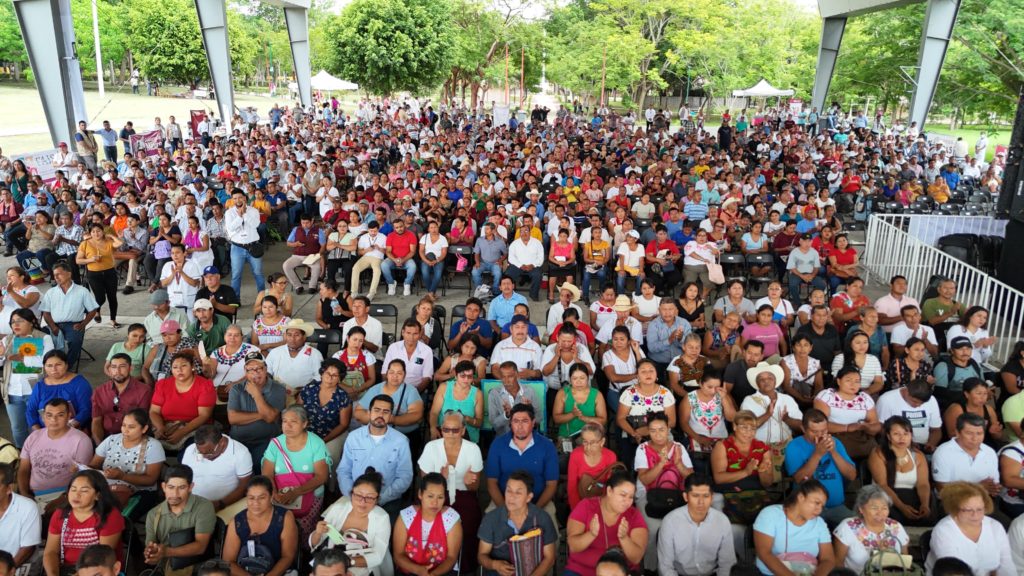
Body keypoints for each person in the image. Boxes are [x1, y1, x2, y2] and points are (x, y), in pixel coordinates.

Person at [417, 410, 483, 573]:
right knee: (430, 526)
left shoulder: (473, 449)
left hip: (464, 495)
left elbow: (475, 488)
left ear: (463, 430)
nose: (450, 434)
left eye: (455, 430)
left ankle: (463, 568)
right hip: (436, 496)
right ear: (441, 429)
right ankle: (430, 566)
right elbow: (425, 485)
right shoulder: (431, 447)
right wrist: (441, 478)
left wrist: (468, 482)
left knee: (468, 525)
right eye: (446, 429)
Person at [339, 394, 414, 518]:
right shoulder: (353, 437)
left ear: (391, 416)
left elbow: (405, 476)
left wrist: (380, 498)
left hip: (387, 501)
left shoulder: (401, 441)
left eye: (386, 412)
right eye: (377, 410)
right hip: (354, 499)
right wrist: (353, 496)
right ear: (369, 412)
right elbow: (344, 470)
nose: (381, 415)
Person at [485, 402, 559, 523]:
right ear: (510, 423)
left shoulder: (547, 446)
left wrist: (534, 512)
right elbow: (491, 483)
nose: (520, 426)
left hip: (539, 503)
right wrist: (506, 511)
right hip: (504, 503)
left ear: (533, 423)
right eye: (516, 421)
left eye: (525, 421)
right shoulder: (498, 444)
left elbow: (551, 484)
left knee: (550, 528)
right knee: (488, 525)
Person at [18, 398, 94, 514]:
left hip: (63, 494)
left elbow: (84, 477)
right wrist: (24, 494)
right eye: (49, 415)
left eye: (60, 415)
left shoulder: (81, 440)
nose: (53, 419)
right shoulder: (33, 437)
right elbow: (23, 469)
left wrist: (64, 498)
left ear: (69, 416)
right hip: (32, 494)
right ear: (43, 417)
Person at [566, 470, 648, 576]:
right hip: (581, 571)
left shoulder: (634, 515)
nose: (627, 501)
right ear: (609, 491)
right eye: (623, 495)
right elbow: (573, 546)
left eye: (631, 497)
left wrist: (624, 538)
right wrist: (591, 534)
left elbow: (636, 558)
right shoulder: (586, 506)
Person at [42, 470, 124, 576]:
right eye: (73, 489)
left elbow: (102, 557)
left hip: (97, 570)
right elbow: (51, 551)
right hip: (66, 569)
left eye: (84, 491)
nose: (76, 495)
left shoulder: (110, 515)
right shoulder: (60, 514)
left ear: (97, 495)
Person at [310, 469, 392, 576]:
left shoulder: (382, 518)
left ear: (377, 499)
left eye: (369, 497)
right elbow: (315, 544)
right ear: (351, 494)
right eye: (358, 495)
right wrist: (318, 533)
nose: (362, 501)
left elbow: (378, 555)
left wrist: (348, 562)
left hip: (363, 564)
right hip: (332, 561)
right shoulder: (338, 509)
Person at [477, 470, 559, 576]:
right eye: (508, 491)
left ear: (529, 497)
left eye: (518, 493)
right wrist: (495, 565)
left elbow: (549, 558)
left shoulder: (542, 518)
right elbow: (481, 555)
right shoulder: (491, 519)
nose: (511, 497)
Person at [784, 408, 856, 528]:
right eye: (814, 431)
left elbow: (852, 475)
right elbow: (800, 479)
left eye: (823, 431)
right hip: (808, 508)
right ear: (803, 429)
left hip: (836, 507)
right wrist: (817, 454)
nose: (820, 435)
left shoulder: (835, 442)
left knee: (857, 528)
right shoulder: (794, 446)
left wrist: (833, 452)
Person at [925, 482, 1015, 576]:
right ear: (954, 509)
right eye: (968, 510)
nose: (975, 515)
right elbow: (953, 572)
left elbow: (1007, 565)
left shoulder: (995, 527)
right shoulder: (943, 530)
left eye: (979, 509)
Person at [143, 465, 218, 575]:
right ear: (163, 487)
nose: (175, 494)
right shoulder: (153, 514)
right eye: (171, 487)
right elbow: (151, 550)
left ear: (190, 487)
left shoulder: (203, 507)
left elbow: (201, 547)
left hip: (198, 567)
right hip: (165, 568)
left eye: (181, 487)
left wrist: (166, 552)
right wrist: (151, 553)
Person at [657, 474, 737, 576]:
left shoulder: (722, 521)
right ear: (686, 497)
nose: (701, 502)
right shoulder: (670, 522)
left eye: (706, 496)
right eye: (695, 496)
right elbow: (665, 566)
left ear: (712, 497)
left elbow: (727, 564)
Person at [89, 407, 165, 514]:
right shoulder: (111, 440)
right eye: (123, 425)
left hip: (139, 492)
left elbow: (151, 480)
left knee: (112, 514)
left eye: (131, 427)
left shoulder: (153, 446)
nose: (125, 430)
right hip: (107, 489)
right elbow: (93, 465)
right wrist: (82, 469)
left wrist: (122, 477)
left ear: (144, 429)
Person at [753, 479, 835, 575]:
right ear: (801, 497)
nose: (819, 510)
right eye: (817, 503)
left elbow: (828, 559)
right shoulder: (771, 514)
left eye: (822, 506)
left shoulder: (819, 523)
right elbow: (764, 553)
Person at [220, 475, 298, 576]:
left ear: (271, 497)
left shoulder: (285, 517)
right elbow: (228, 561)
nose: (256, 503)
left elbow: (287, 556)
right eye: (251, 498)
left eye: (262, 498)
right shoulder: (237, 522)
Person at [0, 307, 54, 447]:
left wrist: (23, 358)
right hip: (12, 391)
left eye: (20, 320)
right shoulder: (7, 340)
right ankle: (22, 453)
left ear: (31, 322)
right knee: (17, 428)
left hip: (35, 391)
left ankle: (40, 452)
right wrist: (1, 355)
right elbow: (2, 363)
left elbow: (49, 363)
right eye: (13, 322)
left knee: (39, 426)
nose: (16, 324)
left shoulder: (44, 338)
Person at [392, 474, 463, 576]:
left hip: (441, 573)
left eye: (440, 497)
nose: (435, 502)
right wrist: (419, 570)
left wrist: (433, 574)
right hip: (410, 571)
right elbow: (398, 555)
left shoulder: (451, 518)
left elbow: (451, 557)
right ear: (420, 494)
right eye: (430, 496)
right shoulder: (406, 516)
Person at [831, 485, 909, 573]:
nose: (880, 513)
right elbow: (838, 563)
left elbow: (905, 562)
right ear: (861, 509)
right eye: (874, 508)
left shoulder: (896, 527)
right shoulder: (847, 528)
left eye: (884, 508)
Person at [149, 352, 216, 450]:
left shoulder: (205, 386)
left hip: (194, 429)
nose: (179, 370)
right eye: (175, 367)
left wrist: (182, 432)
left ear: (192, 367)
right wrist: (160, 427)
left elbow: (204, 415)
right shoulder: (162, 384)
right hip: (166, 426)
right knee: (149, 448)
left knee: (188, 452)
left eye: (184, 366)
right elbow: (154, 411)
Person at [39, 260, 99, 369]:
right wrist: (53, 327)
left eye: (59, 274)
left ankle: (66, 367)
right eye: (54, 275)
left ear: (69, 274)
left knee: (74, 341)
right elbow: (46, 313)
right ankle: (45, 365)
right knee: (38, 336)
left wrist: (83, 324)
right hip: (54, 324)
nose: (56, 277)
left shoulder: (82, 291)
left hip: (73, 324)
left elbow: (93, 310)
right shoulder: (51, 292)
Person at [813, 366, 882, 460]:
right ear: (838, 381)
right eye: (848, 380)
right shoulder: (827, 396)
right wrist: (847, 428)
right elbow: (819, 424)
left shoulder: (865, 398)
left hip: (860, 438)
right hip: (834, 436)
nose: (853, 384)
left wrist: (866, 427)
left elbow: (875, 424)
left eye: (857, 381)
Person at [932, 412, 1001, 496]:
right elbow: (941, 488)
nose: (975, 438)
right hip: (952, 501)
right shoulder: (943, 453)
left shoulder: (990, 452)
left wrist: (995, 489)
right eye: (969, 433)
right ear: (957, 433)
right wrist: (978, 487)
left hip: (983, 499)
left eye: (979, 433)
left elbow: (994, 484)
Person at [26, 349, 92, 432]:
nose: (54, 369)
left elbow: (86, 409)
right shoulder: (40, 386)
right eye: (49, 365)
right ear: (44, 367)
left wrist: (66, 430)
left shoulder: (79, 383)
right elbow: (31, 411)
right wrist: (39, 432)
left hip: (73, 430)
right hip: (44, 431)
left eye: (58, 364)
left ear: (66, 365)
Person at [874, 378, 942, 453]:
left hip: (922, 450)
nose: (918, 405)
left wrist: (931, 444)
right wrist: (907, 443)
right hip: (895, 449)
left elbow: (936, 430)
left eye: (922, 403)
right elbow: (880, 429)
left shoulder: (932, 400)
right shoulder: (886, 399)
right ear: (906, 391)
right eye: (914, 401)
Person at [75, 223, 123, 329]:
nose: (96, 233)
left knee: (112, 297)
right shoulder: (85, 243)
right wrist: (91, 259)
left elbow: (119, 243)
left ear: (102, 231)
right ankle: (96, 311)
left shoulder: (108, 241)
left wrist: (111, 236)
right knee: (100, 297)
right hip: (94, 274)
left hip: (109, 272)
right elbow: (78, 260)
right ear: (90, 233)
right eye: (93, 231)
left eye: (98, 231)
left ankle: (113, 319)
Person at [680, 371, 735, 460]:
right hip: (695, 437)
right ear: (700, 383)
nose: (713, 391)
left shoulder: (722, 395)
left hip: (720, 438)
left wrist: (724, 397)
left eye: (717, 387)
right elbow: (683, 423)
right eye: (709, 387)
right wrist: (698, 438)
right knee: (699, 463)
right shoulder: (690, 397)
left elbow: (731, 418)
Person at [226, 189, 265, 299]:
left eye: (240, 197)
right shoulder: (229, 213)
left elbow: (255, 225)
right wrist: (239, 216)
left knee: (258, 273)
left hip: (253, 246)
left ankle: (262, 298)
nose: (238, 200)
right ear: (232, 200)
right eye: (235, 198)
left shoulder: (253, 211)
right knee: (236, 275)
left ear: (244, 198)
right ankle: (235, 300)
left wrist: (245, 214)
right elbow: (231, 227)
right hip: (237, 247)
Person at [944, 377, 1004, 448]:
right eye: (978, 393)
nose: (982, 397)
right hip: (961, 446)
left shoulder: (989, 409)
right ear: (967, 394)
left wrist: (995, 433)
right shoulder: (956, 409)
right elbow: (952, 435)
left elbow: (999, 437)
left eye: (985, 394)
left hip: (986, 445)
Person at [383, 320, 435, 391]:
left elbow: (427, 377)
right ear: (403, 333)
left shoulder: (427, 350)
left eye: (415, 334)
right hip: (393, 389)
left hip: (417, 390)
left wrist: (414, 393)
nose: (411, 337)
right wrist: (390, 390)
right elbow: (384, 373)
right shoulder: (393, 348)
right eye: (408, 333)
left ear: (420, 334)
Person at [282, 213, 325, 295]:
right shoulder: (296, 229)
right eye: (303, 223)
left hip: (312, 256)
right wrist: (295, 244)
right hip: (297, 256)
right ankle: (298, 286)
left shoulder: (319, 231)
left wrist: (318, 255)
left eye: (307, 223)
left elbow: (323, 246)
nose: (305, 225)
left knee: (316, 267)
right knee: (286, 265)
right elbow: (288, 243)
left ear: (312, 221)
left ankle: (312, 286)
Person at [489, 315, 543, 379]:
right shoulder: (501, 346)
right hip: (504, 382)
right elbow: (495, 368)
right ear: (511, 329)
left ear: (527, 329)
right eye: (517, 327)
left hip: (528, 383)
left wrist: (532, 373)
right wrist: (506, 380)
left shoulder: (535, 347)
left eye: (523, 327)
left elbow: (540, 371)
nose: (520, 330)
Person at [506, 224, 545, 301]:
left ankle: (533, 294)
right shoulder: (514, 243)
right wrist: (520, 265)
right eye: (521, 231)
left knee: (537, 275)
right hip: (518, 266)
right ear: (519, 233)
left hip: (533, 266)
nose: (524, 233)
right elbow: (511, 258)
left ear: (530, 232)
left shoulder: (537, 243)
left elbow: (541, 257)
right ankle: (510, 293)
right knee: (508, 274)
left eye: (526, 231)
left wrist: (533, 265)